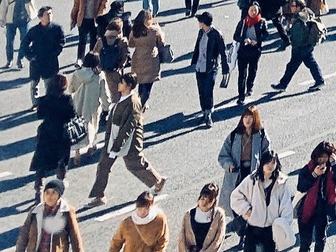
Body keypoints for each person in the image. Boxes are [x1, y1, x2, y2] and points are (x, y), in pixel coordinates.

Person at [87, 73, 164, 207]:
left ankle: (157, 180)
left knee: (134, 164)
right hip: (114, 138)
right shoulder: (122, 97)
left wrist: (116, 146)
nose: (119, 84)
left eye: (121, 83)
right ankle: (99, 196)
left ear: (129, 86)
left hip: (128, 141)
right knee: (103, 165)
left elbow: (129, 127)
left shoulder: (133, 102)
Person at [229, 152, 295, 252]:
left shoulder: (281, 182)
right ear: (262, 163)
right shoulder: (252, 180)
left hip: (271, 229)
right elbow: (235, 197)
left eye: (273, 162)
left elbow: (286, 206)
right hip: (253, 228)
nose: (270, 165)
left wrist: (282, 225)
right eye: (267, 162)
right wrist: (246, 210)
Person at [218, 108, 271, 212]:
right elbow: (223, 155)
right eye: (245, 117)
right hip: (237, 173)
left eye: (251, 117)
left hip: (253, 173)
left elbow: (267, 156)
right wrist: (228, 164)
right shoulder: (234, 135)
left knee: (252, 202)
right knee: (236, 200)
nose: (248, 120)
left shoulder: (261, 136)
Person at [32, 73, 76, 194]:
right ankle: (60, 182)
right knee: (62, 160)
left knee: (42, 160)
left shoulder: (44, 99)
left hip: (46, 131)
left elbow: (39, 115)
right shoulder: (67, 99)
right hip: (62, 132)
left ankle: (39, 186)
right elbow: (72, 115)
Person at [292, 144, 336, 252]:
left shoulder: (332, 169)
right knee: (305, 243)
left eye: (325, 158)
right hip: (306, 209)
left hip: (322, 209)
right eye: (319, 158)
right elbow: (301, 187)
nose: (322, 161)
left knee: (320, 239)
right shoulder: (307, 169)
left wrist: (335, 164)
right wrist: (314, 174)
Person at [271, 1, 325, 93]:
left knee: (292, 66)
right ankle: (319, 80)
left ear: (299, 7)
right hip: (308, 44)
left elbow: (298, 35)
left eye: (293, 6)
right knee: (310, 63)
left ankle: (283, 85)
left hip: (301, 47)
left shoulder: (299, 18)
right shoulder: (308, 12)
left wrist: (292, 42)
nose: (291, 7)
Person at [188, 13, 230, 128]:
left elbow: (223, 52)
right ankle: (204, 112)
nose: (198, 23)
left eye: (200, 21)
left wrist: (225, 69)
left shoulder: (216, 35)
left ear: (203, 23)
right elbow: (198, 48)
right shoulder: (201, 32)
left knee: (208, 91)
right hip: (200, 67)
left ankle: (209, 114)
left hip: (211, 68)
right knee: (201, 91)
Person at [177, 183, 226, 252]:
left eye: (209, 200)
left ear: (214, 200)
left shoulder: (218, 215)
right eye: (203, 198)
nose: (204, 203)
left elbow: (218, 239)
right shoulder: (188, 215)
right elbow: (182, 238)